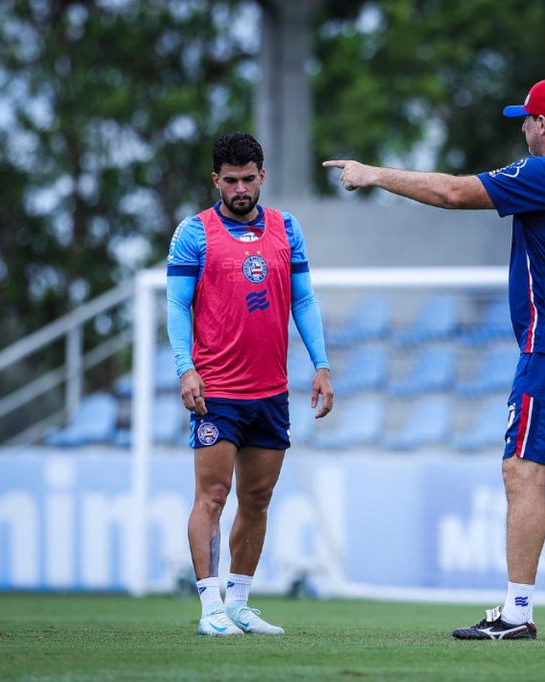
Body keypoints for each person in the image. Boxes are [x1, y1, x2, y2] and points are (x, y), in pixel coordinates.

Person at [324, 78, 545, 640]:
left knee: (521, 471)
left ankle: (517, 613)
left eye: (525, 119)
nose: (523, 128)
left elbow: (454, 193)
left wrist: (375, 174)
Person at [167, 131, 334, 636]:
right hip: (217, 390)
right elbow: (176, 304)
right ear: (216, 180)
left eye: (249, 178)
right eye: (231, 180)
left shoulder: (287, 228)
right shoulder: (194, 233)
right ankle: (210, 608)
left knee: (257, 499)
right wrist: (184, 367)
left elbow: (302, 300)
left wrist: (321, 364)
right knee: (212, 497)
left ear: (262, 175)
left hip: (270, 391)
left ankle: (239, 602)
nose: (241, 188)